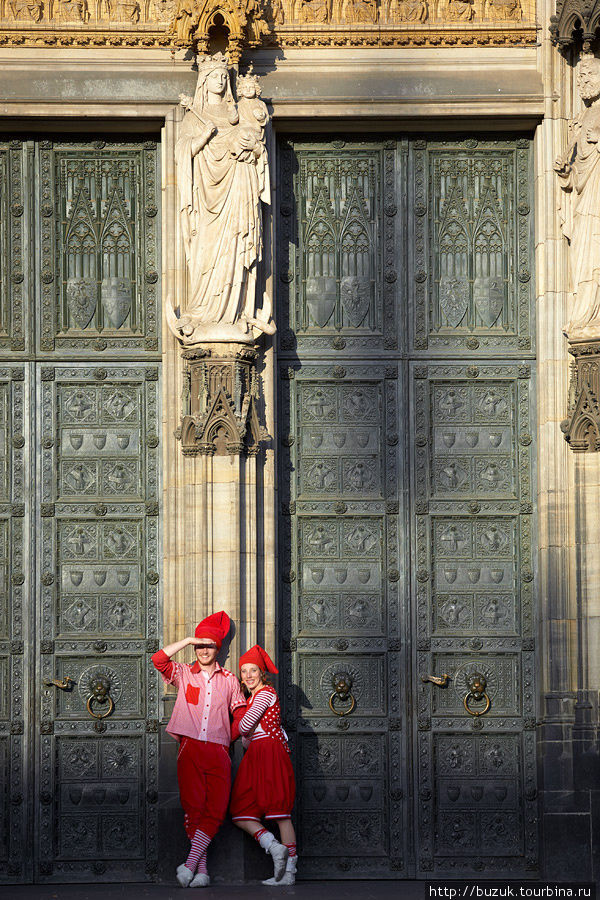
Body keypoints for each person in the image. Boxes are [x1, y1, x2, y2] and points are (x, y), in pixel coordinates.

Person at [170, 52, 274, 345]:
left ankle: (236, 312)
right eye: (214, 75)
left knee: (235, 246)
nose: (219, 79)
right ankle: (203, 311)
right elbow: (183, 152)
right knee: (205, 251)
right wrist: (203, 137)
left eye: (222, 75)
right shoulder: (193, 116)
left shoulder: (237, 113)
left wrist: (251, 148)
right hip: (205, 198)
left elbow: (256, 147)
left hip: (237, 189)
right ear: (203, 81)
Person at [151, 611, 246, 888]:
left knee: (215, 808)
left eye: (210, 645)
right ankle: (201, 870)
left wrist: (229, 735)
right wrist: (188, 638)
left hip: (218, 750)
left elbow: (239, 713)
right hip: (189, 748)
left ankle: (190, 862)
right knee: (194, 809)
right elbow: (158, 659)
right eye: (200, 645)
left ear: (219, 648)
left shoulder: (229, 679)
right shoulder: (183, 673)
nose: (204, 650)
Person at [230, 645, 297, 885]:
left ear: (262, 673)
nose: (248, 675)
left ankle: (289, 872)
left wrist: (233, 729)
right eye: (244, 671)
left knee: (281, 812)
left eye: (253, 670)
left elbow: (246, 727)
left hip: (269, 752)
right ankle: (274, 846)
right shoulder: (253, 698)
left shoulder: (266, 693)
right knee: (240, 812)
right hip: (256, 754)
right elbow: (247, 739)